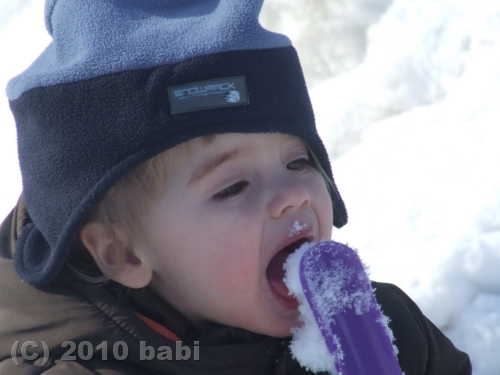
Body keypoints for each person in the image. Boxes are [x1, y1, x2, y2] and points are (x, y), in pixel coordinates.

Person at [0, 1, 471, 374]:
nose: (294, 195)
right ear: (122, 255)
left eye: (298, 161)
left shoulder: (392, 332)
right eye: (233, 187)